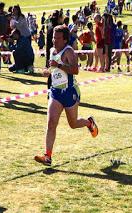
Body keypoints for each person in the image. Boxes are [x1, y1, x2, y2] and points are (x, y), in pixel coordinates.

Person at [34, 25, 98, 166]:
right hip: (55, 92)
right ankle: (48, 156)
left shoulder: (68, 51)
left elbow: (75, 70)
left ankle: (89, 122)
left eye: (57, 38)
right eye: (53, 38)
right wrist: (47, 72)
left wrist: (58, 65)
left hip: (69, 91)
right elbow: (53, 68)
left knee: (73, 124)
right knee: (51, 124)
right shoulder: (51, 50)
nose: (54, 41)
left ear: (64, 39)